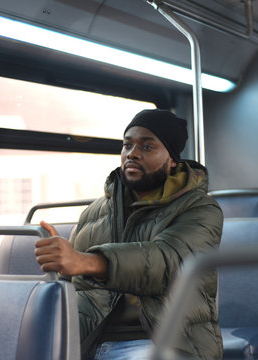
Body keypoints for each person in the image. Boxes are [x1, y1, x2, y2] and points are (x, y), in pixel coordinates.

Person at [35, 109, 223, 359]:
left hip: (161, 341)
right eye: (127, 145)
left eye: (147, 147)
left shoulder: (199, 208)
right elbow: (74, 287)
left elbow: (169, 263)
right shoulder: (94, 212)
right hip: (87, 340)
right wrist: (59, 264)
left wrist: (86, 261)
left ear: (172, 160)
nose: (132, 153)